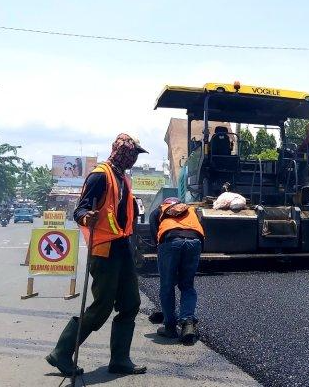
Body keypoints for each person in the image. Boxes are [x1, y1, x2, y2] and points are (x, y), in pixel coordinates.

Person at [46, 133, 148, 376]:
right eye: (133, 154)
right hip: (105, 250)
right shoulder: (100, 175)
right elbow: (80, 209)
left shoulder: (123, 177)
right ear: (124, 152)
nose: (134, 159)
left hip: (123, 247)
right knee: (102, 306)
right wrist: (85, 216)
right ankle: (61, 352)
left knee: (131, 303)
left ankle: (120, 360)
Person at [149, 197, 204, 344]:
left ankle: (170, 327)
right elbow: (199, 226)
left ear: (165, 203)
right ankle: (187, 324)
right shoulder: (190, 209)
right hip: (194, 241)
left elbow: (156, 237)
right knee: (187, 285)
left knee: (167, 286)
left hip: (171, 241)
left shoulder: (158, 210)